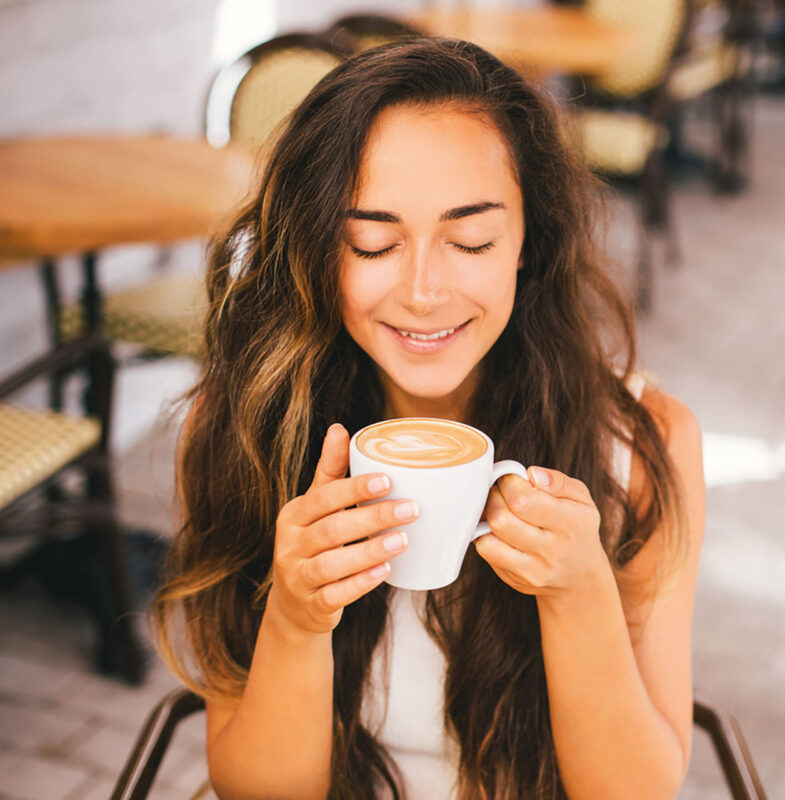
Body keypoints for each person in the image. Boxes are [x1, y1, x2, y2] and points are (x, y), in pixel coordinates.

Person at [151, 37, 705, 800]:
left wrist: (581, 599)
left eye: (470, 239)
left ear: (526, 241)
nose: (422, 291)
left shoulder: (644, 448)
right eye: (372, 243)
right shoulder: (242, 428)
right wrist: (295, 619)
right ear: (318, 250)